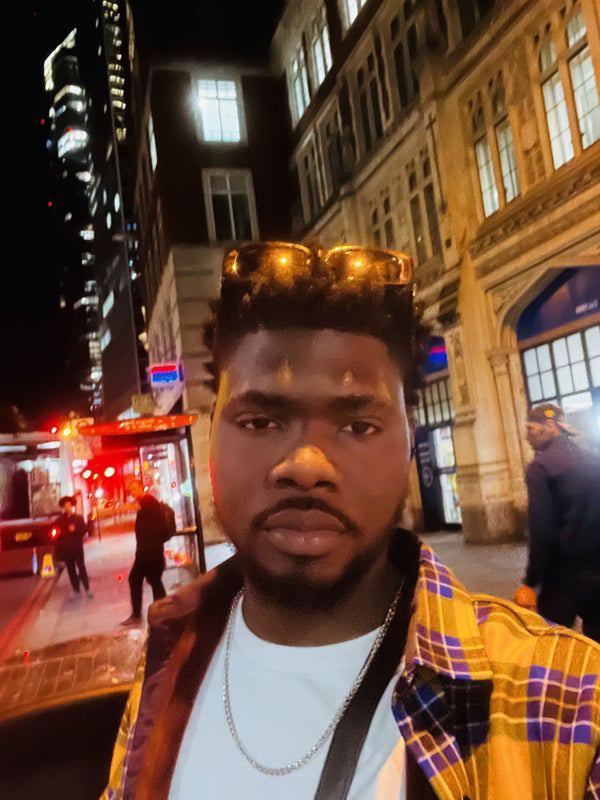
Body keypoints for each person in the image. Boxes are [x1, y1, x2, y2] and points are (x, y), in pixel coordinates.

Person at [104, 242, 599, 800]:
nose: (306, 465)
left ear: (408, 440)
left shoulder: (566, 697)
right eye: (261, 421)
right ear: (211, 433)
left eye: (358, 426)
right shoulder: (168, 654)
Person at [513, 403, 600, 643]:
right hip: (597, 569)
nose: (527, 436)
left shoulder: (540, 467)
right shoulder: (592, 458)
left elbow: (541, 530)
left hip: (562, 578)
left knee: (554, 645)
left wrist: (531, 581)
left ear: (550, 427)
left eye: (531, 429)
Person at [120, 481, 169, 626]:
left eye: (134, 488)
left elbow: (133, 506)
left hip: (150, 552)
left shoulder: (148, 500)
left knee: (149, 581)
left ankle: (160, 614)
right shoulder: (147, 502)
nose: (132, 492)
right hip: (146, 551)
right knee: (149, 581)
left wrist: (122, 506)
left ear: (141, 488)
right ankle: (157, 614)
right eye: (131, 490)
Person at [54, 495, 93, 600]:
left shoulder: (78, 518)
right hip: (66, 549)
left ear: (72, 506)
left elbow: (84, 531)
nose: (67, 507)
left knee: (81, 568)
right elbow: (56, 534)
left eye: (69, 505)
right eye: (65, 505)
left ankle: (87, 589)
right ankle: (76, 591)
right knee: (71, 571)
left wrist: (75, 530)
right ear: (63, 507)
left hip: (77, 548)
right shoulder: (59, 520)